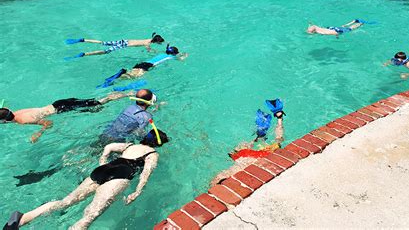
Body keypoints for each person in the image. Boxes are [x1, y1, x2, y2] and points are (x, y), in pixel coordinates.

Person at [2, 129, 169, 230]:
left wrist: (103, 160)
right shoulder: (152, 154)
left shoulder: (130, 145)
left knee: (66, 201)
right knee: (89, 216)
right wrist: (138, 192)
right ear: (158, 144)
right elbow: (146, 173)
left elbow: (109, 147)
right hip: (120, 177)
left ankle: (20, 219)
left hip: (104, 169)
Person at [0, 92, 132, 142]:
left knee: (99, 103)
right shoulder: (17, 112)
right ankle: (116, 95)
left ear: (5, 120)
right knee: (93, 102)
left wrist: (38, 134)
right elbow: (7, 115)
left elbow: (48, 123)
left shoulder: (22, 121)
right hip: (58, 103)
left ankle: (124, 94)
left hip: (62, 109)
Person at [210, 99, 286, 187]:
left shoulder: (224, 175)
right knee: (277, 140)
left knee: (277, 140)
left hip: (249, 157)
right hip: (248, 157)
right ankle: (278, 118)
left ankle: (274, 121)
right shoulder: (225, 174)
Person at [97, 44, 188, 88]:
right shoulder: (170, 57)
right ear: (174, 53)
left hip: (141, 63)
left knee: (128, 76)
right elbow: (181, 59)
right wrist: (185, 55)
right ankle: (117, 77)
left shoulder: (162, 54)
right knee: (131, 77)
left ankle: (114, 78)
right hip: (147, 66)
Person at [65, 32, 165, 58]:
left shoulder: (149, 38)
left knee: (102, 42)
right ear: (156, 41)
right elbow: (148, 49)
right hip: (123, 45)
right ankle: (85, 54)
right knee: (105, 52)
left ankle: (83, 40)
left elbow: (152, 37)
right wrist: (154, 51)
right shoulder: (147, 43)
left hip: (124, 41)